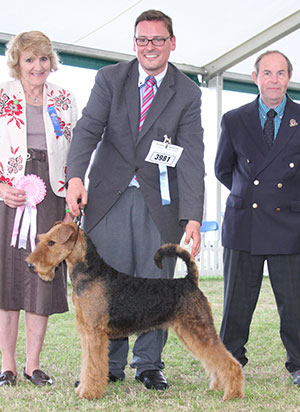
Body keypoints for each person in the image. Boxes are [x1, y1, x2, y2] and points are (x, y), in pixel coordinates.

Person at [66, 9, 204, 390]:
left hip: (159, 204)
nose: (150, 47)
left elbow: (192, 156)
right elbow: (87, 129)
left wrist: (192, 215)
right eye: (143, 40)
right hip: (107, 198)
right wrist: (75, 177)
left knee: (154, 281)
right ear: (134, 43)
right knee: (107, 281)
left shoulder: (188, 92)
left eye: (158, 39)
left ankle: (148, 364)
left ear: (172, 43)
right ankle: (109, 365)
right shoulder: (110, 78)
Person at [215, 50, 300, 385]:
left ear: (289, 78)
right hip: (244, 223)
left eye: (280, 73)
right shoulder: (234, 119)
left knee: (294, 304)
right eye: (267, 73)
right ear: (255, 77)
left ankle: (298, 364)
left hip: (290, 225)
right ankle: (229, 363)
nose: (274, 80)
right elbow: (223, 169)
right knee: (236, 303)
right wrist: (249, 194)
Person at [0, 31, 77, 387]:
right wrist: (1, 187)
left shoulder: (64, 98)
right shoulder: (1, 96)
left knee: (40, 279)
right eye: (30, 59)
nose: (37, 66)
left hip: (50, 194)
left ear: (52, 62)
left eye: (44, 58)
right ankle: (8, 365)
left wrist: (73, 193)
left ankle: (33, 365)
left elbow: (77, 151)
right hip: (9, 195)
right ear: (17, 62)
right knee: (9, 280)